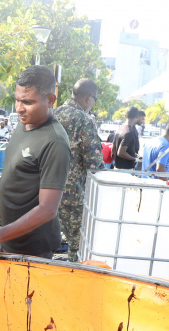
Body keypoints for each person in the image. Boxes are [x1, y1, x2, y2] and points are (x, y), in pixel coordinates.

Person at [0, 65, 70, 259]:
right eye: (17, 100)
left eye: (28, 102)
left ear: (50, 100)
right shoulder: (24, 125)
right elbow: (15, 183)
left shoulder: (55, 142)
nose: (19, 108)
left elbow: (47, 210)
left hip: (32, 249)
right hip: (8, 237)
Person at [54, 78, 104, 262]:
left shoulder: (51, 114)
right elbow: (94, 164)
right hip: (71, 194)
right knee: (78, 245)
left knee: (45, 240)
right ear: (89, 98)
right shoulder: (84, 120)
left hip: (44, 191)